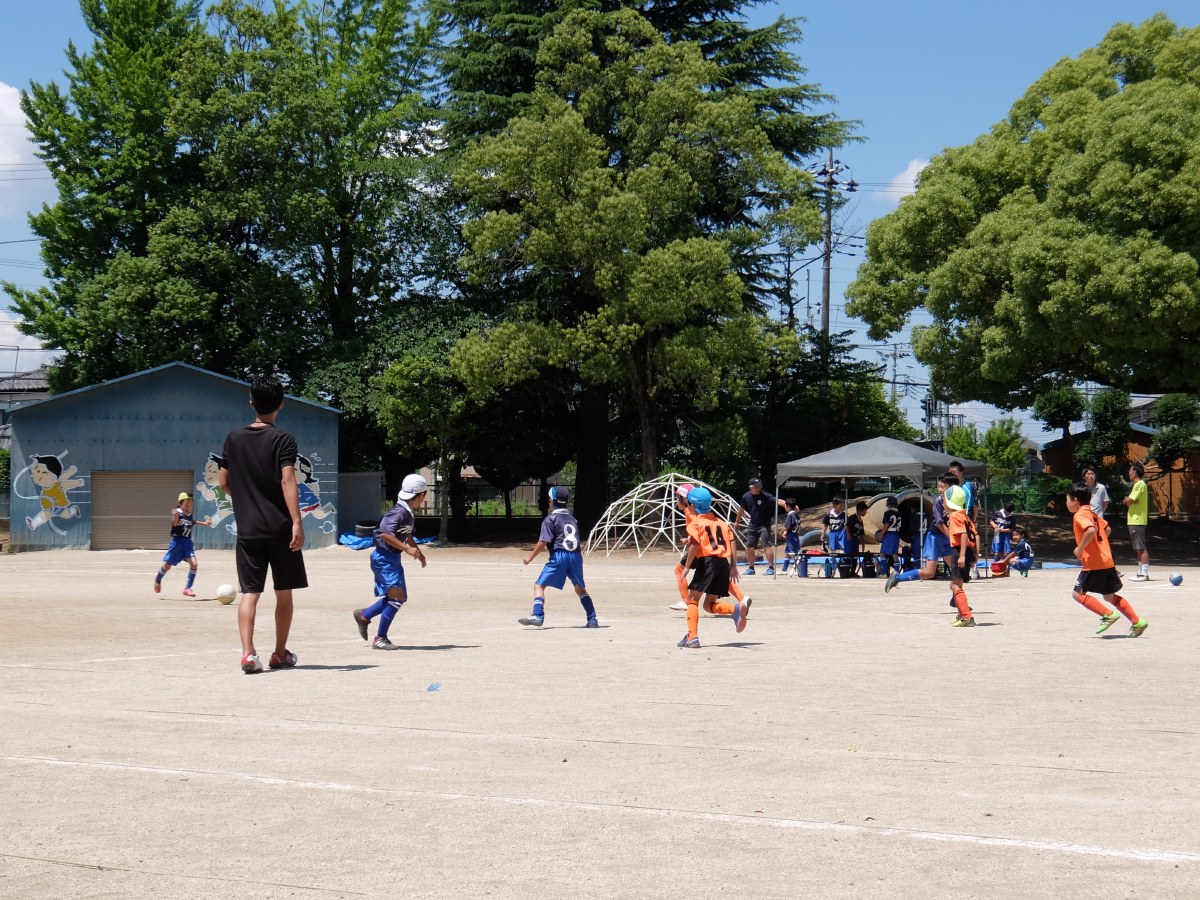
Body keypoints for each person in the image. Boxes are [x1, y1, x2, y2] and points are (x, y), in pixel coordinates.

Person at [219, 375, 306, 674]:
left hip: (248, 530)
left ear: (251, 403)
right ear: (281, 404)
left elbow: (224, 482)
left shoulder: (233, 439)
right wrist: (297, 522)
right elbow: (287, 479)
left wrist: (246, 499)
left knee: (250, 592)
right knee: (284, 592)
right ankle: (279, 653)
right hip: (280, 527)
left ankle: (248, 654)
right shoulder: (284, 439)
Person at [352, 474, 429, 650]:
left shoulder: (407, 511)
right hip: (384, 558)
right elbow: (384, 533)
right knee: (397, 598)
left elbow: (405, 534)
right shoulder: (399, 512)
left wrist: (418, 553)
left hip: (392, 558)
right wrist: (406, 549)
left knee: (400, 598)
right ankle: (380, 638)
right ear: (421, 495)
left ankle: (364, 615)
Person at [1067, 482, 1147, 637]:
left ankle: (1107, 615)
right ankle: (1137, 622)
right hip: (1107, 560)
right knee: (1109, 596)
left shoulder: (1080, 515)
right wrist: (1098, 545)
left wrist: (1081, 548)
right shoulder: (1092, 513)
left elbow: (1090, 531)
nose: (1067, 503)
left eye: (1067, 500)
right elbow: (1107, 529)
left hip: (1094, 563)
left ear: (1075, 500)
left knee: (1077, 594)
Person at [678, 487, 749, 649]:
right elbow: (732, 540)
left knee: (693, 601)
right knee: (709, 605)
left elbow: (696, 545)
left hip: (707, 563)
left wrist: (687, 566)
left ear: (693, 505)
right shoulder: (721, 523)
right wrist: (733, 565)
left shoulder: (696, 523)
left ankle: (692, 637)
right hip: (722, 564)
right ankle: (735, 609)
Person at [519, 485, 597, 628]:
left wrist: (530, 557)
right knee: (580, 589)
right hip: (576, 556)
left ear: (552, 501)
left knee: (539, 585)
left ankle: (538, 615)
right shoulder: (573, 520)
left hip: (559, 556)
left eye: (549, 500)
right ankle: (592, 618)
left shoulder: (550, 519)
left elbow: (543, 541)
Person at [671, 482, 750, 609]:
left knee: (680, 570)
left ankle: (687, 602)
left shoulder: (690, 511)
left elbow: (701, 528)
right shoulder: (696, 511)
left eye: (677, 497)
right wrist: (690, 538)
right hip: (710, 549)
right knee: (718, 575)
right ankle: (742, 598)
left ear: (684, 499)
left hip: (703, 550)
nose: (676, 500)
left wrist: (693, 541)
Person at [885, 473, 957, 593]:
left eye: (942, 487)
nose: (939, 490)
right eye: (938, 486)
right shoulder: (938, 502)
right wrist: (952, 537)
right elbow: (940, 524)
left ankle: (956, 598)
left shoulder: (956, 501)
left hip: (946, 538)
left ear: (951, 488)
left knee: (956, 570)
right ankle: (897, 578)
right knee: (929, 573)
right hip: (935, 538)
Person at [153, 492, 213, 596]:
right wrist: (175, 516)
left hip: (187, 543)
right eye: (186, 503)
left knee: (194, 564)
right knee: (167, 566)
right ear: (180, 503)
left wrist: (204, 523)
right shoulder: (177, 513)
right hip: (177, 543)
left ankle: (187, 588)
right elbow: (174, 524)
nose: (189, 506)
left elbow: (193, 522)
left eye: (191, 504)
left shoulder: (189, 515)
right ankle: (158, 579)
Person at [734, 477, 788, 575]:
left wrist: (789, 505)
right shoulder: (746, 496)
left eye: (760, 485)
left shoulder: (765, 495)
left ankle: (771, 568)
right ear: (751, 487)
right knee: (749, 546)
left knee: (766, 545)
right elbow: (741, 510)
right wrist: (736, 522)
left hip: (764, 525)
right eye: (757, 486)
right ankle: (751, 568)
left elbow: (777, 501)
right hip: (752, 525)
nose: (759, 487)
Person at [944, 485, 977, 627]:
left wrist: (962, 555)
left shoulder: (954, 515)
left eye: (945, 500)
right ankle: (962, 614)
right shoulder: (965, 515)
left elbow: (963, 534)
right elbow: (975, 535)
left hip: (959, 550)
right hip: (966, 550)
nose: (943, 503)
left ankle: (967, 617)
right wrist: (973, 556)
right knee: (957, 584)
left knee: (954, 585)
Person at [1123, 461, 1150, 581]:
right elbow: (1133, 500)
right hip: (1134, 520)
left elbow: (1129, 500)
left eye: (1130, 470)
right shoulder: (1138, 485)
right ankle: (1140, 572)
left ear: (1135, 472)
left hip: (1137, 519)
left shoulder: (1139, 484)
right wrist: (1130, 500)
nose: (1129, 473)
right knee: (1138, 548)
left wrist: (1127, 500)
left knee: (1141, 547)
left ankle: (1144, 573)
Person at [877, 495, 902, 576]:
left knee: (882, 553)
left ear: (889, 504)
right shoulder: (899, 514)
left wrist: (881, 534)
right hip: (896, 535)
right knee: (895, 554)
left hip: (889, 535)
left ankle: (884, 573)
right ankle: (896, 573)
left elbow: (886, 524)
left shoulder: (888, 513)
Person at [845, 501, 869, 575]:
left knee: (856, 556)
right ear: (860, 510)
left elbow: (861, 533)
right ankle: (846, 571)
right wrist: (848, 534)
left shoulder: (860, 521)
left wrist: (863, 543)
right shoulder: (852, 518)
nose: (865, 513)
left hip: (856, 540)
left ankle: (853, 572)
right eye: (865, 511)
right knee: (849, 555)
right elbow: (846, 526)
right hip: (850, 540)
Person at [779, 498, 802, 574]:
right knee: (787, 552)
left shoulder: (790, 515)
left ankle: (802, 568)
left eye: (785, 505)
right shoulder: (796, 514)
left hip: (791, 536)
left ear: (788, 506)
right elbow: (794, 525)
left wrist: (782, 531)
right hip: (794, 534)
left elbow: (788, 526)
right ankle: (784, 569)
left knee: (794, 552)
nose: (784, 507)